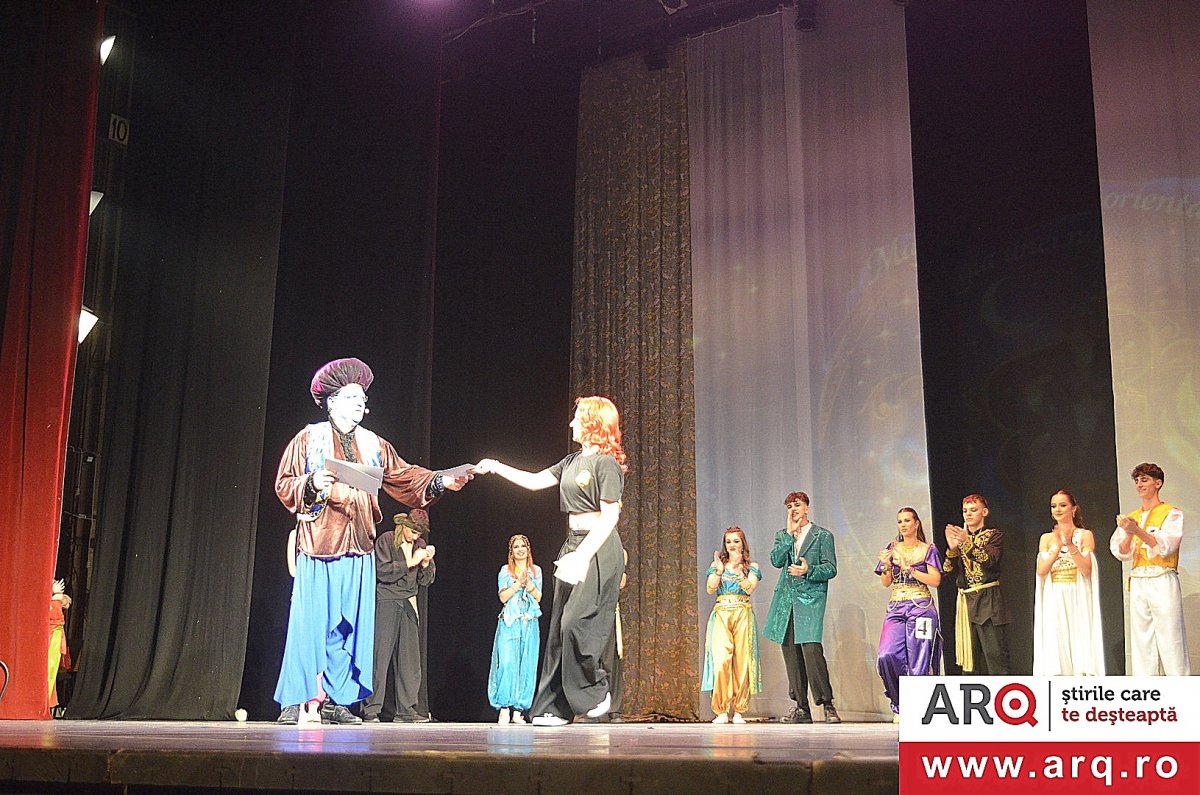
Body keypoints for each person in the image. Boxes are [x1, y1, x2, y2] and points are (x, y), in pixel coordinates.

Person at [273, 358, 467, 725]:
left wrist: (441, 480)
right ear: (331, 402)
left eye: (362, 398)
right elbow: (284, 483)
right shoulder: (309, 438)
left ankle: (337, 701)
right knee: (309, 623)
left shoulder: (373, 443)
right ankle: (296, 700)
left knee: (349, 625)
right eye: (351, 397)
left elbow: (404, 477)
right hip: (319, 542)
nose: (360, 403)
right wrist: (311, 483)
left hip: (359, 545)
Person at [475, 396, 627, 726]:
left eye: (578, 418)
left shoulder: (606, 464)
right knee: (559, 628)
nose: (571, 423)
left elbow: (610, 516)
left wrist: (583, 555)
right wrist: (496, 466)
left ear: (594, 423)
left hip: (598, 549)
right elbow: (534, 481)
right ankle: (554, 708)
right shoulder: (571, 461)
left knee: (575, 623)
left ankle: (596, 691)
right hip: (573, 545)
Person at [762, 491, 840, 724]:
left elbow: (831, 568)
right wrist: (789, 535)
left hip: (810, 599)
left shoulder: (822, 535)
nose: (793, 510)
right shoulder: (783, 535)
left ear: (807, 508)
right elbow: (776, 561)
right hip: (786, 601)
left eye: (797, 505)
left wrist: (809, 570)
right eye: (789, 507)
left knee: (811, 650)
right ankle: (801, 707)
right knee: (791, 654)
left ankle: (827, 704)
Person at [1110, 462, 1188, 675]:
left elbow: (1166, 546)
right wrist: (1129, 532)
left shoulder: (1171, 514)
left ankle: (1180, 685)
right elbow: (1121, 552)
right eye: (1137, 481)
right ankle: (1146, 687)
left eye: (1144, 480)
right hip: (1138, 579)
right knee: (1142, 639)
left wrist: (1137, 531)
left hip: (1161, 578)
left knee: (1170, 636)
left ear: (1158, 483)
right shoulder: (1131, 517)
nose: (1139, 485)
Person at [362, 512, 437, 723]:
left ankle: (406, 710)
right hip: (387, 600)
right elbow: (381, 571)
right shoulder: (386, 540)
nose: (415, 537)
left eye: (418, 534)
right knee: (380, 657)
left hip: (409, 602)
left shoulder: (419, 544)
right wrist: (410, 562)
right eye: (412, 531)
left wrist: (426, 564)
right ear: (404, 525)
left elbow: (425, 581)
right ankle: (371, 709)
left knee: (409, 660)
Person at [875, 508, 941, 722]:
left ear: (916, 523)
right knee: (887, 655)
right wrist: (887, 565)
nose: (903, 525)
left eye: (907, 521)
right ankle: (899, 704)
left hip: (921, 607)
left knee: (919, 658)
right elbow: (886, 582)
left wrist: (910, 569)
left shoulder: (927, 549)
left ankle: (918, 707)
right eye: (900, 521)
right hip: (896, 607)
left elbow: (935, 580)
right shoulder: (892, 548)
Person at [1033, 490, 1103, 675]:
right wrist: (1057, 546)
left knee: (1079, 635)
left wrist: (1070, 544)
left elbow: (1086, 569)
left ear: (1073, 509)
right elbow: (1041, 570)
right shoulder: (1046, 538)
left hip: (1077, 593)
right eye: (1053, 506)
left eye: (1063, 505)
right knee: (1057, 638)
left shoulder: (1085, 535)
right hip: (1055, 594)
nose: (1057, 509)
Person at [943, 494, 1010, 675]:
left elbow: (988, 560)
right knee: (969, 660)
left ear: (984, 512)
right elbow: (948, 570)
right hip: (966, 602)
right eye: (965, 511)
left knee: (995, 655)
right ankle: (971, 692)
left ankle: (1002, 691)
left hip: (988, 599)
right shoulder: (961, 540)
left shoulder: (994, 535)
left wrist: (966, 543)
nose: (968, 514)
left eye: (973, 510)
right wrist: (952, 550)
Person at [702, 527, 762, 724]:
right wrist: (719, 571)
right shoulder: (718, 564)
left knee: (742, 662)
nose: (732, 545)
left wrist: (739, 570)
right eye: (728, 542)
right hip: (722, 614)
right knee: (721, 661)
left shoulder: (751, 567)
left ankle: (739, 710)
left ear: (743, 543)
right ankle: (721, 710)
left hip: (742, 613)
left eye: (736, 541)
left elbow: (749, 589)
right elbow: (710, 589)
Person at [488, 534, 543, 724]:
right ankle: (504, 707)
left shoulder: (536, 571)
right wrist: (518, 584)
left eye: (523, 546)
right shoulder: (505, 571)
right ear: (511, 552)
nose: (520, 550)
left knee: (526, 665)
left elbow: (538, 597)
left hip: (529, 623)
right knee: (507, 663)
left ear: (528, 550)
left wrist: (529, 584)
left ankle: (519, 711)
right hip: (510, 623)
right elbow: (503, 597)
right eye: (516, 547)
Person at [49, 579, 72, 711]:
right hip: (47, 634)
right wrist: (55, 595)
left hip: (54, 635)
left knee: (51, 670)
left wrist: (58, 596)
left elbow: (67, 602)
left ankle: (47, 704)